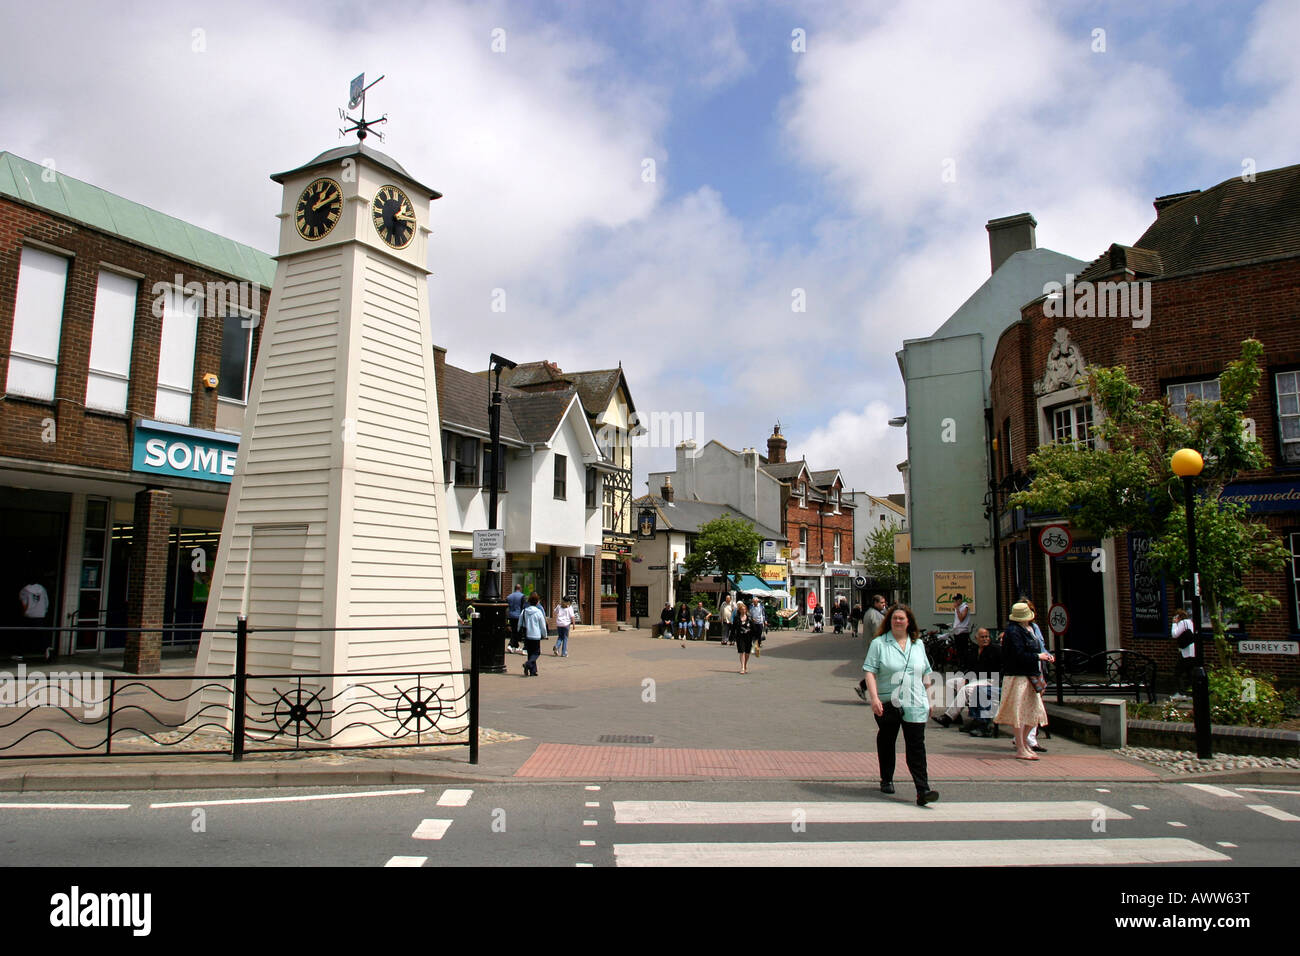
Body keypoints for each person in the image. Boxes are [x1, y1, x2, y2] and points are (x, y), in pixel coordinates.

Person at [864, 603, 940, 806]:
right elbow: (870, 672)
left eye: (902, 618)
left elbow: (926, 672)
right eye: (895, 618)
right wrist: (874, 698)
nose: (898, 621)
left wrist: (930, 698)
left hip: (915, 700)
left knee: (916, 746)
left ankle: (922, 790)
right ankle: (886, 777)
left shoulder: (918, 645)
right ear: (889, 621)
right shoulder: (879, 643)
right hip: (889, 700)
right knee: (888, 740)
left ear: (909, 622)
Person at [994, 602, 1054, 760]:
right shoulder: (1013, 632)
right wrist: (1037, 656)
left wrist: (1043, 655)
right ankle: (1021, 746)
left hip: (1031, 673)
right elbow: (1017, 655)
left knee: (1035, 710)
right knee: (1019, 712)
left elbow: (1038, 647)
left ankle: (1024, 743)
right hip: (1018, 675)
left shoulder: (1030, 629)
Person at [933, 627, 1002, 734]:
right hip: (975, 678)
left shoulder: (995, 650)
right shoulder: (973, 650)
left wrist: (971, 680)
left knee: (966, 689)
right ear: (976, 638)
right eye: (982, 637)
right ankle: (956, 717)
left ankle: (948, 717)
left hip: (990, 679)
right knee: (951, 683)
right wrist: (966, 678)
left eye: (987, 637)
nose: (985, 639)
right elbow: (968, 667)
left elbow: (995, 670)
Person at [1021, 599, 1049, 753]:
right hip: (1027, 670)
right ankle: (1026, 739)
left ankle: (1025, 738)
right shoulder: (1016, 631)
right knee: (1032, 704)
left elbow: (1042, 647)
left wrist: (1047, 656)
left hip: (1036, 669)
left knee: (1035, 704)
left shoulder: (1034, 628)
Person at [855, 594, 888, 702]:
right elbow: (879, 632)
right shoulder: (874, 615)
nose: (884, 605)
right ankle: (866, 688)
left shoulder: (872, 613)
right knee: (879, 671)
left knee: (876, 672)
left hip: (872, 647)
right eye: (882, 603)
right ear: (875, 603)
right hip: (876, 648)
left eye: (884, 602)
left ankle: (863, 686)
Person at [18, 577, 50, 660]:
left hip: (29, 615)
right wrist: (44, 611)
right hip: (41, 615)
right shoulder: (42, 589)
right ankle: (46, 652)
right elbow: (46, 602)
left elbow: (24, 604)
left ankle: (20, 654)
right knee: (42, 635)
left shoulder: (24, 590)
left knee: (23, 635)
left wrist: (24, 613)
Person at [520, 592, 547, 676]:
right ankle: (528, 664)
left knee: (530, 652)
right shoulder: (538, 612)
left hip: (527, 634)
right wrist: (545, 635)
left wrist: (518, 631)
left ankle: (532, 671)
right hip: (536, 635)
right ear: (537, 602)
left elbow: (520, 622)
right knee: (536, 652)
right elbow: (542, 625)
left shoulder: (524, 611)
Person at [1171, 609, 1196, 697]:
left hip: (1186, 652)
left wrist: (1174, 624)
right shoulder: (1190, 622)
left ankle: (1181, 692)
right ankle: (1191, 692)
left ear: (1178, 617)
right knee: (1190, 673)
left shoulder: (1182, 623)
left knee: (1177, 673)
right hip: (1192, 651)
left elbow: (1174, 634)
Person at [732, 603, 758, 674]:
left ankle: (745, 665)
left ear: (746, 610)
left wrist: (756, 637)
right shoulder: (736, 618)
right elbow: (733, 628)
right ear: (739, 610)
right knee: (742, 652)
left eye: (744, 609)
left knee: (747, 653)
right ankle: (742, 667)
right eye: (742, 609)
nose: (743, 611)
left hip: (748, 637)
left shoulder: (749, 618)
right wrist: (732, 638)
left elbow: (754, 628)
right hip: (740, 637)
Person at [950, 593, 973, 663]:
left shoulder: (965, 607)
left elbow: (961, 618)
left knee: (963, 650)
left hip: (963, 632)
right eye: (954, 600)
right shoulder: (958, 608)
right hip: (957, 631)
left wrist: (956, 608)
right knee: (959, 650)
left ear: (960, 600)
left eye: (956, 600)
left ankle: (965, 664)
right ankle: (960, 664)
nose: (955, 602)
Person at [506, 584, 525, 654]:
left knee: (514, 630)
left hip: (511, 616)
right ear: (520, 588)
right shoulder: (522, 596)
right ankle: (510, 645)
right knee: (516, 632)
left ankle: (515, 646)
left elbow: (507, 608)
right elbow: (523, 607)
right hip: (518, 616)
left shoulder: (509, 597)